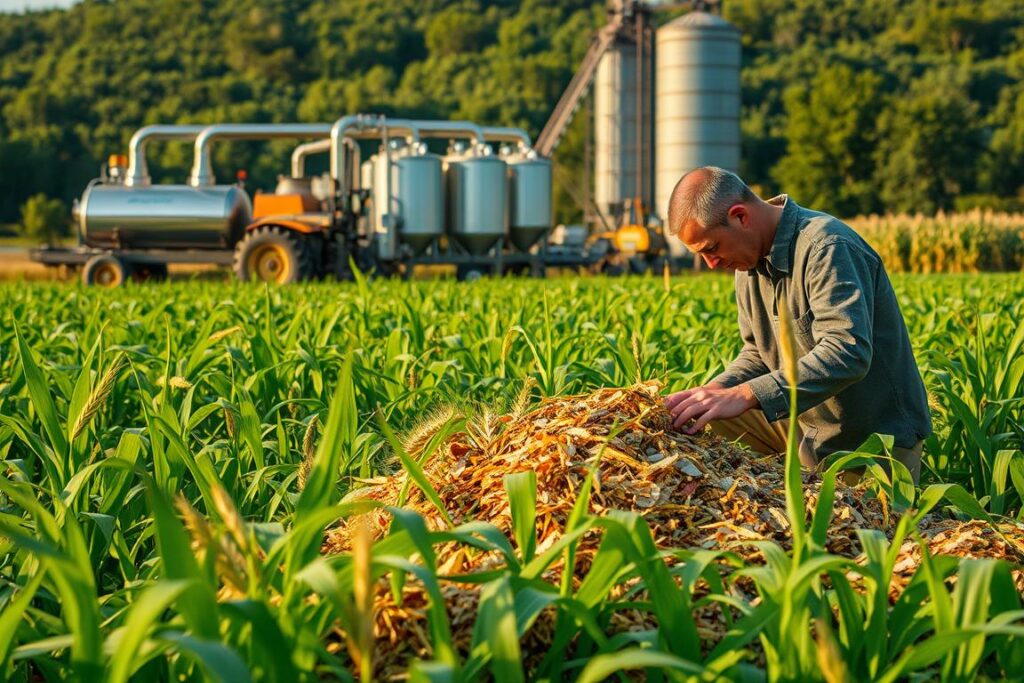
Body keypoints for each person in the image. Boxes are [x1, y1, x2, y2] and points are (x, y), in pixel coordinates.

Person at [662, 167, 931, 482]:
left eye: (711, 249)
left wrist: (745, 394)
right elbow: (758, 353)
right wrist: (713, 391)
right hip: (803, 425)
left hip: (869, 441)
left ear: (740, 217)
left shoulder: (826, 246)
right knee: (696, 420)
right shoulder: (747, 265)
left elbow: (847, 351)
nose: (711, 264)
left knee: (849, 525)